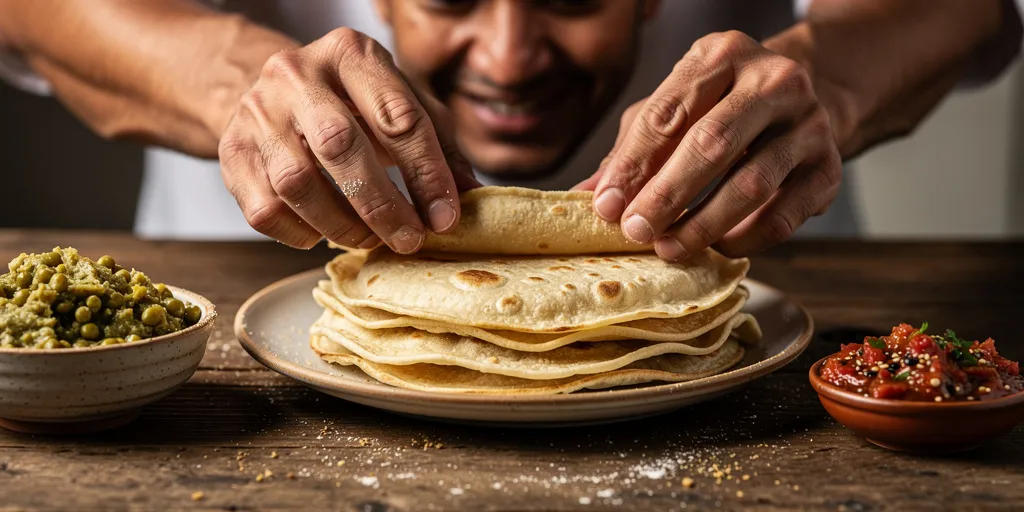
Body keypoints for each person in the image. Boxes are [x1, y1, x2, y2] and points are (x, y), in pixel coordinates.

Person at [0, 0, 1019, 260]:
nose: (506, 55)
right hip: (251, 332)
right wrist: (237, 86)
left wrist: (823, 82)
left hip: (761, 316)